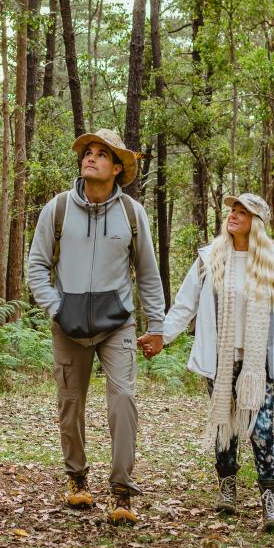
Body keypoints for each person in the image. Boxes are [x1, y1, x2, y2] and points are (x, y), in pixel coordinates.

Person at [26, 129, 165, 526]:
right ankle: (77, 478)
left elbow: (148, 275)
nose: (91, 157)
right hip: (68, 326)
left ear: (117, 168)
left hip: (117, 323)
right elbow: (37, 265)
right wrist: (56, 307)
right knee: (70, 406)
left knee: (122, 401)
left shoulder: (132, 215)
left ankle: (122, 490)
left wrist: (156, 325)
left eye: (102, 154)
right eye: (88, 152)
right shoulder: (57, 209)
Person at [138, 193, 274, 532]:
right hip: (221, 359)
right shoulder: (211, 258)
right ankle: (227, 489)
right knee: (226, 425)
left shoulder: (272, 258)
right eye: (232, 211)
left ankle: (271, 502)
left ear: (257, 222)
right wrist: (162, 336)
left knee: (261, 431)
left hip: (259, 363)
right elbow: (185, 304)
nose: (233, 216)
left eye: (242, 212)